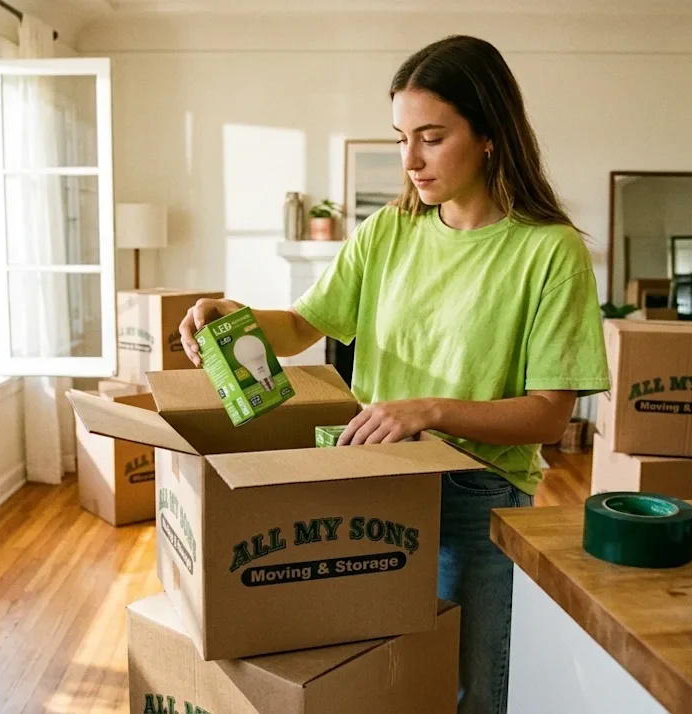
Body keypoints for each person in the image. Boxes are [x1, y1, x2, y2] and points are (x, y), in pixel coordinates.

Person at [178, 34, 610, 714]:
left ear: (491, 134)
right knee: (372, 681)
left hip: (477, 494)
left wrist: (428, 409)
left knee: (470, 692)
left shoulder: (549, 252)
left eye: (431, 137)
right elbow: (304, 324)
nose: (409, 160)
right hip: (371, 479)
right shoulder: (389, 232)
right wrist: (236, 313)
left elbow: (548, 414)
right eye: (401, 137)